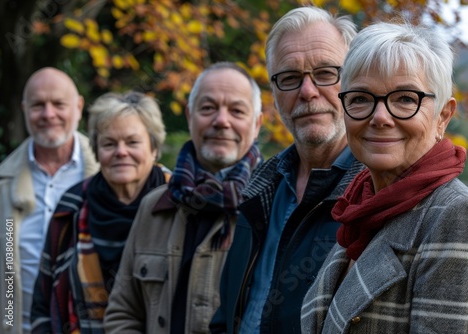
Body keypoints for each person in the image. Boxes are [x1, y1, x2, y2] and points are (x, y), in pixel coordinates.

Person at [301, 20, 468, 334]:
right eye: (361, 99)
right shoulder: (360, 211)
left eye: (406, 99)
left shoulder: (460, 217)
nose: (380, 117)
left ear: (442, 117)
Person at [210, 6, 364, 334]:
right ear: (274, 93)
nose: (307, 91)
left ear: (354, 82)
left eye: (325, 73)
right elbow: (229, 310)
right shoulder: (260, 186)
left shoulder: (374, 194)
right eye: (290, 78)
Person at [103, 61, 264, 333]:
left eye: (236, 111)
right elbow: (122, 313)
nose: (221, 121)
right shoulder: (153, 207)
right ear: (190, 116)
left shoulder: (271, 209)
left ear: (257, 124)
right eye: (208, 108)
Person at [30, 90, 171, 333]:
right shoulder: (72, 207)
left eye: (133, 142)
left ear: (154, 148)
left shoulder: (179, 201)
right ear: (96, 150)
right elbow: (42, 301)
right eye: (109, 143)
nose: (121, 152)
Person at [0, 67, 99, 334]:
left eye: (58, 104)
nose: (48, 114)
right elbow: (6, 270)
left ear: (78, 106)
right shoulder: (2, 185)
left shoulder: (107, 174)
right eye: (38, 105)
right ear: (24, 109)